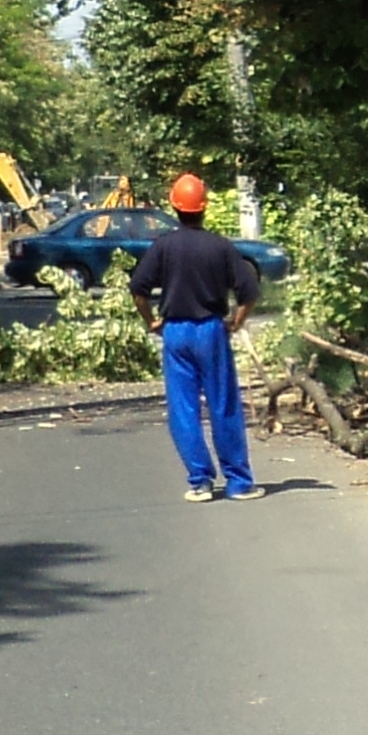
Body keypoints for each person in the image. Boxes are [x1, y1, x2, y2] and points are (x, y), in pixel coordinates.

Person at [131, 173, 261, 501]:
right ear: (203, 208)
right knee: (223, 404)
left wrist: (152, 322)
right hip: (211, 331)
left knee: (183, 408)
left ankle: (200, 481)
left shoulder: (163, 246)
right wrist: (236, 321)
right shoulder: (221, 246)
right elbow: (249, 291)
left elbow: (138, 290)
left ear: (175, 208)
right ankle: (239, 482)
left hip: (175, 331)